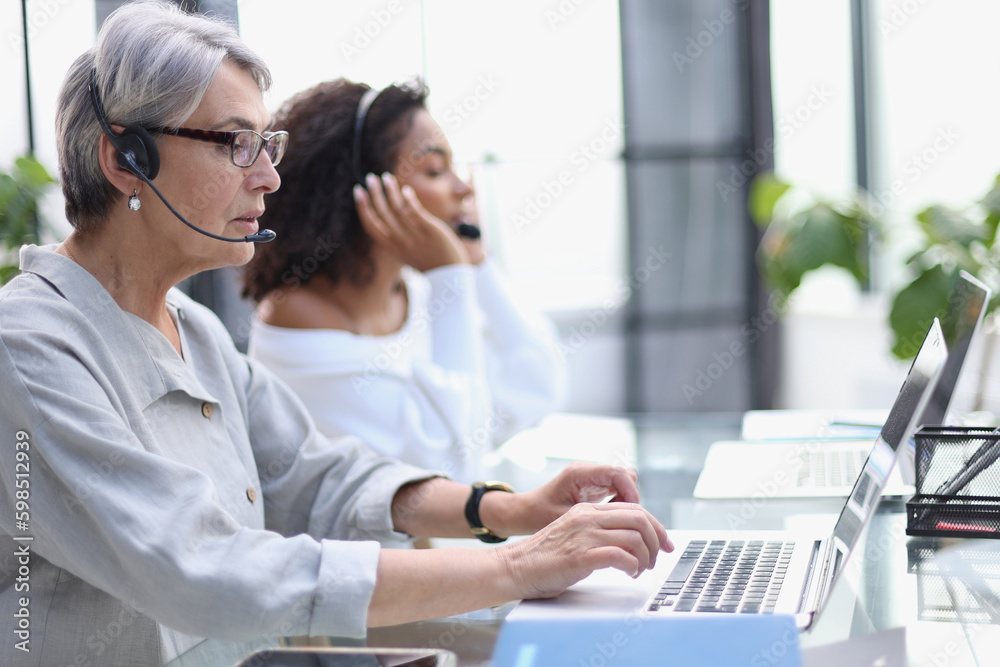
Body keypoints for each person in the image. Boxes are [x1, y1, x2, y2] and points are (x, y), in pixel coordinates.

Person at [0, 3, 670, 666]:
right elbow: (197, 565)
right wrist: (519, 565)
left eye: (267, 145)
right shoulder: (27, 349)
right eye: (235, 143)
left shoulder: (194, 332)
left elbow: (320, 476)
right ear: (125, 160)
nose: (267, 175)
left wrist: (506, 508)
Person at [241, 77, 565, 482]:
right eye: (434, 169)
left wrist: (476, 262)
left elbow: (538, 390)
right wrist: (452, 276)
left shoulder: (418, 294)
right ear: (370, 189)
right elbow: (451, 468)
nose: (464, 188)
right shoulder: (297, 316)